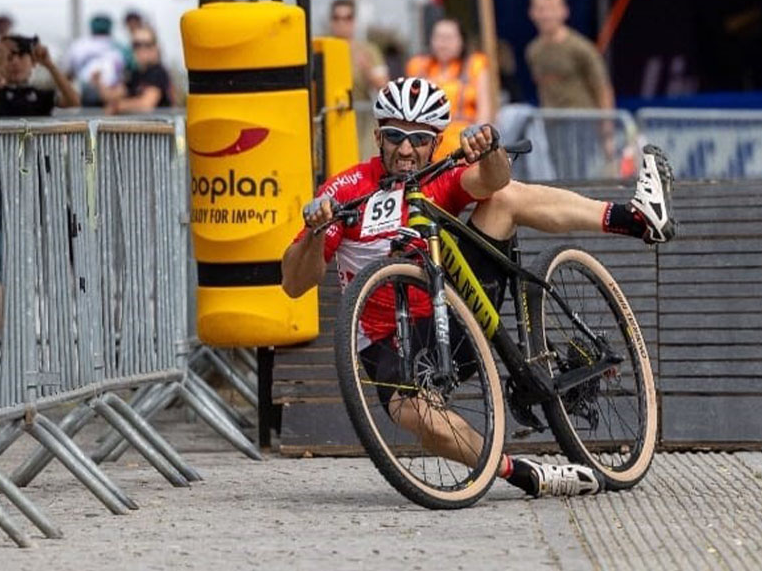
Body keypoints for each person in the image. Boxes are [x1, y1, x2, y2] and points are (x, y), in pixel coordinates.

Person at [281, 77, 675, 498]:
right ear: (378, 136)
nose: (407, 149)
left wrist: (489, 150)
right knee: (417, 416)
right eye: (395, 136)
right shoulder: (347, 190)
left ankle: (635, 219)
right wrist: (315, 233)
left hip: (455, 314)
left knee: (504, 199)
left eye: (419, 138)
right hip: (388, 341)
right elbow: (293, 283)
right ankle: (518, 471)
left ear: (436, 141)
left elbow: (493, 181)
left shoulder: (439, 174)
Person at [406, 18, 493, 161]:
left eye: (449, 38)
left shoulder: (476, 65)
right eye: (438, 37)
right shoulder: (417, 66)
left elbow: (485, 111)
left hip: (464, 146)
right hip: (426, 145)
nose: (443, 43)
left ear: (461, 41)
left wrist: (478, 143)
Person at [525, 0, 614, 110]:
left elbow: (602, 87)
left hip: (582, 122)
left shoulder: (581, 48)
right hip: (550, 123)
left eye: (552, 9)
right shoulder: (533, 51)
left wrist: (606, 123)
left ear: (564, 11)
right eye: (541, 9)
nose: (547, 15)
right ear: (532, 12)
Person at [0, 35, 80, 117]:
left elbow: (73, 102)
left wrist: (49, 64)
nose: (15, 63)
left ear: (33, 62)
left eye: (21, 56)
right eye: (9, 58)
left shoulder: (40, 95)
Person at [98, 26, 173, 114]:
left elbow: (147, 104)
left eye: (147, 44)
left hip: (158, 126)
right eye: (136, 45)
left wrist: (118, 106)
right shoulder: (135, 74)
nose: (141, 49)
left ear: (155, 47)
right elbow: (112, 95)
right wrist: (100, 81)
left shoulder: (158, 72)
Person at [328, 0, 389, 101]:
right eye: (336, 18)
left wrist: (368, 69)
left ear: (354, 21)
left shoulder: (369, 50)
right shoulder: (321, 50)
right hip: (329, 115)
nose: (341, 23)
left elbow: (385, 89)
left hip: (359, 115)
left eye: (347, 18)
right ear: (331, 21)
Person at [63, 14, 127, 107]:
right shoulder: (120, 46)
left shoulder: (78, 45)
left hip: (111, 99)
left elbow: (67, 74)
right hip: (84, 96)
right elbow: (67, 75)